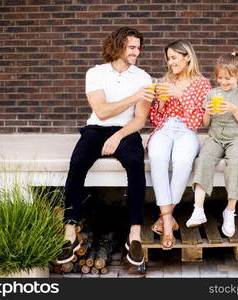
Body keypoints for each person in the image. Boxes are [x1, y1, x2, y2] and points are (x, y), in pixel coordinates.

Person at [57, 27, 153, 267]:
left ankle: (134, 235)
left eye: (138, 48)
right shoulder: (95, 73)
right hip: (96, 129)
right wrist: (133, 98)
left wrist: (119, 136)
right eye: (132, 47)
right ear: (118, 46)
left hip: (126, 130)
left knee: (134, 163)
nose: (136, 52)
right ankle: (70, 233)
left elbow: (140, 120)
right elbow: (101, 111)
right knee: (78, 163)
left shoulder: (143, 77)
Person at [148, 40, 211, 250]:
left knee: (183, 161)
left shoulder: (202, 84)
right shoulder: (165, 81)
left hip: (187, 129)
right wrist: (163, 103)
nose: (170, 62)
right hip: (164, 127)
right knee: (157, 158)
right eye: (168, 58)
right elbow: (155, 119)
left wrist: (180, 97)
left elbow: (199, 121)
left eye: (174, 57)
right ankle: (168, 222)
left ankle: (164, 218)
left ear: (187, 57)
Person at [186, 49, 238, 237]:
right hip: (215, 138)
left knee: (236, 164)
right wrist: (206, 111)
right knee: (203, 159)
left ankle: (230, 211)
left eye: (228, 78)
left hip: (236, 140)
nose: (223, 82)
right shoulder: (212, 93)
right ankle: (198, 210)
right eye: (220, 78)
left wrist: (234, 109)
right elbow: (205, 125)